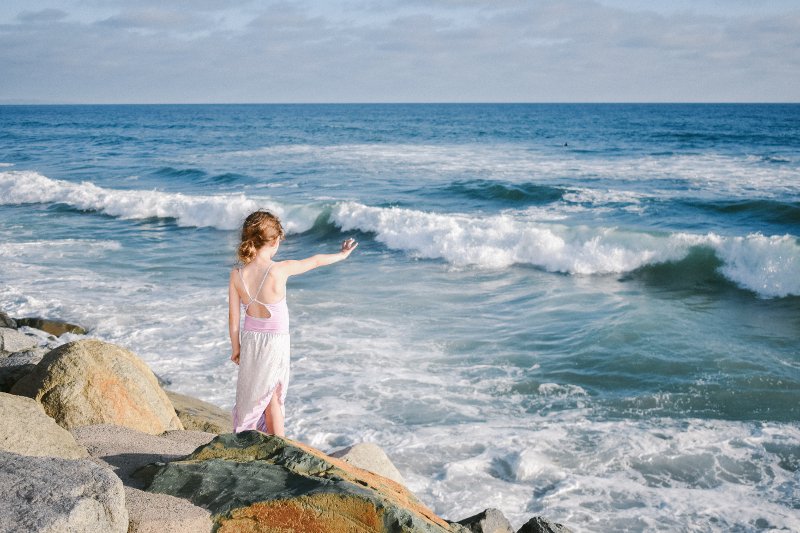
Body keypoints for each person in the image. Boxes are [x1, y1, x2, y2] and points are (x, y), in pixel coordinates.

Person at [229, 210, 358, 436]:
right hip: (275, 343)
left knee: (255, 393)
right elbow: (316, 261)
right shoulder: (279, 269)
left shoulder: (237, 275)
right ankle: (280, 445)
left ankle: (251, 438)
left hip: (250, 341)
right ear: (275, 240)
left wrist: (236, 348)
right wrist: (343, 255)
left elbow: (233, 319)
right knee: (274, 394)